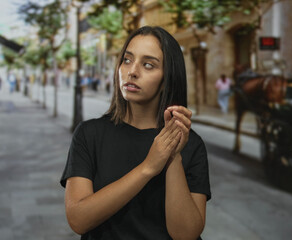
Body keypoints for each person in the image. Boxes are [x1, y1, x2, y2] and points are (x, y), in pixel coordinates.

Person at [60, 26, 211, 240]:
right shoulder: (89, 134)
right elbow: (78, 219)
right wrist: (148, 167)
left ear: (167, 77)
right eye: (127, 60)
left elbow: (186, 234)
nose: (132, 71)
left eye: (148, 65)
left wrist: (173, 157)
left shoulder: (191, 144)